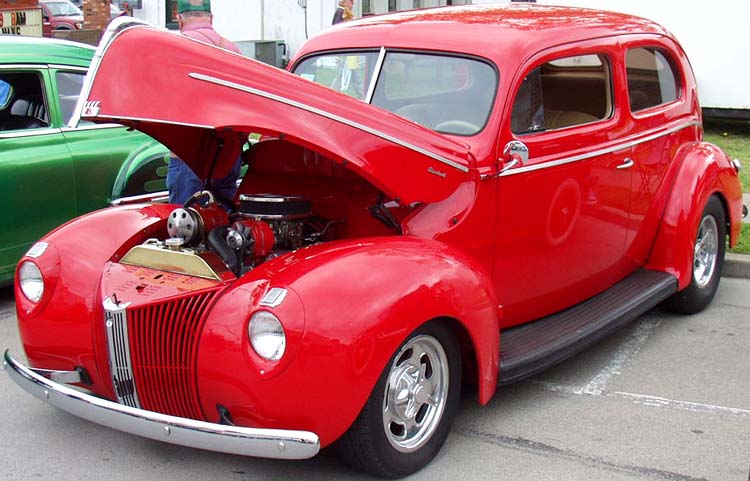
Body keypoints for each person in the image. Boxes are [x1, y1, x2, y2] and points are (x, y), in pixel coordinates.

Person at [167, 0, 242, 206]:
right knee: (224, 221)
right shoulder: (232, 49)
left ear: (179, 19)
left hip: (189, 153)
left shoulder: (175, 48)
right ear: (211, 17)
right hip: (227, 152)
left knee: (187, 224)